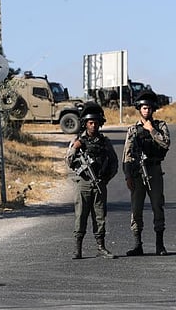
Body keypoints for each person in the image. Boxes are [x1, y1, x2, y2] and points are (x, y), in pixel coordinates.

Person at [65, 102, 119, 259]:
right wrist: (75, 147)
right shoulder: (78, 141)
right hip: (83, 183)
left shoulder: (105, 142)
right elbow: (68, 161)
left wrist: (105, 179)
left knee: (100, 215)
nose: (93, 125)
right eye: (90, 123)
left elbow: (114, 163)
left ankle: (101, 247)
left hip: (100, 183)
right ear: (85, 124)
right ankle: (78, 248)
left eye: (96, 122)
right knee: (81, 215)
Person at [122, 90, 170, 256]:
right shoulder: (133, 130)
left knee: (158, 205)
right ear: (139, 109)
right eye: (143, 108)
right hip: (137, 173)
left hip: (154, 170)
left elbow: (165, 144)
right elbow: (127, 154)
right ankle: (137, 244)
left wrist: (152, 130)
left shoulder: (160, 126)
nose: (146, 110)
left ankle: (160, 244)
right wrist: (128, 175)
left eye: (149, 108)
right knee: (136, 209)